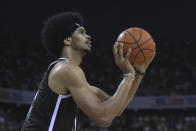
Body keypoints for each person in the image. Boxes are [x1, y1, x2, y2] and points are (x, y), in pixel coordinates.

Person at [21, 12, 153, 131]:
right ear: (67, 40)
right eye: (81, 32)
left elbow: (117, 108)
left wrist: (139, 73)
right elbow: (104, 118)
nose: (88, 36)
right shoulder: (66, 70)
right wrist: (128, 75)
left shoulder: (73, 77)